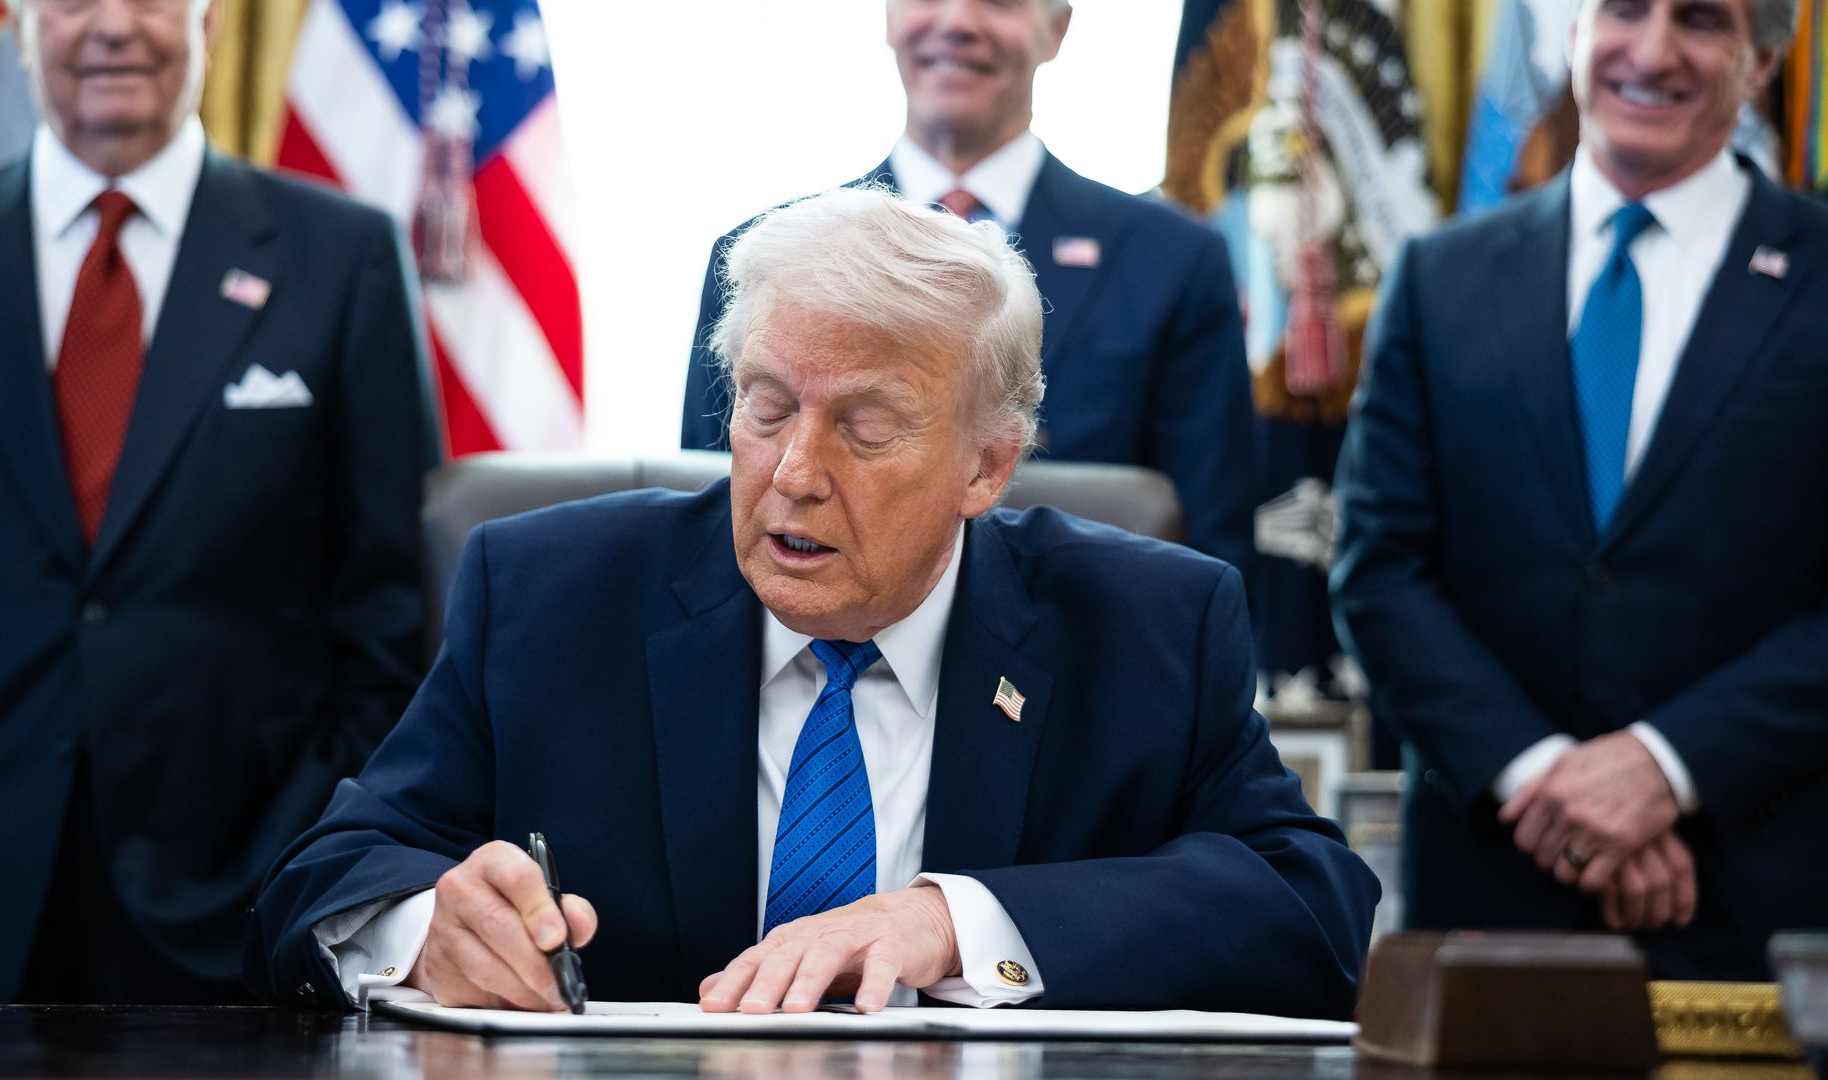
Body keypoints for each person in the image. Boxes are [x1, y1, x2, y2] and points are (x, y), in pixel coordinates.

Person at [249, 187, 1377, 1018]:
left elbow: (1314, 907)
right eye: (766, 406)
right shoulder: (548, 598)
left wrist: (956, 922)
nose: (794, 469)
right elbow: (326, 876)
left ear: (988, 467)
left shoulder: (1149, 626)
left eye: (866, 428)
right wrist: (423, 932)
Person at [0, 0, 434, 1003]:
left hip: (243, 901)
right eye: (71, 2)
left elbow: (388, 614)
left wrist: (323, 848)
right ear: (17, 27)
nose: (114, 28)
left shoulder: (342, 256)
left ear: (211, 23)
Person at [1331, 0, 1827, 978]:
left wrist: (1667, 765)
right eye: (1624, 11)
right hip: (1489, 890)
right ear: (1571, 32)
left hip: (1762, 899)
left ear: (1763, 60)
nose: (1652, 50)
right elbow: (1380, 571)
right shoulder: (1439, 278)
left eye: (1699, 20)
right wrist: (1547, 781)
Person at [678, 0, 1257, 581]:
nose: (956, 21)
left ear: (1057, 29)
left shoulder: (1173, 261)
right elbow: (712, 526)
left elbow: (1208, 553)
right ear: (888, 17)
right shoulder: (764, 259)